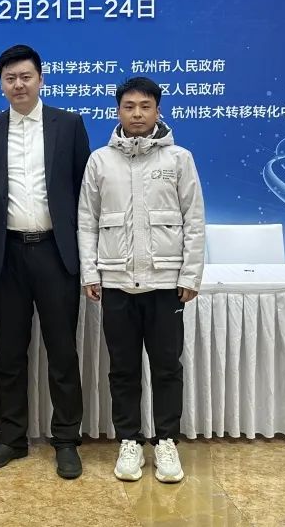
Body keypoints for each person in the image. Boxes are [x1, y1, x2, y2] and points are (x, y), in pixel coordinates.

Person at [77, 76, 205, 484]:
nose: (137, 114)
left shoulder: (179, 159)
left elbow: (194, 220)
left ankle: (166, 441)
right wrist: (91, 272)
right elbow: (87, 221)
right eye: (129, 106)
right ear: (118, 111)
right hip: (116, 283)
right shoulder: (100, 161)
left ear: (157, 111)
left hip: (166, 283)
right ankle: (129, 441)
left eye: (145, 106)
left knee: (167, 367)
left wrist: (190, 274)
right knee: (123, 369)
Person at [0, 44, 90, 479]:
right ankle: (12, 438)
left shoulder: (69, 125)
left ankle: (66, 439)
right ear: (1, 84)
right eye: (10, 78)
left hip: (56, 253)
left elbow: (84, 193)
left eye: (26, 77)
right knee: (10, 352)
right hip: (7, 256)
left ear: (41, 79)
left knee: (62, 351)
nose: (18, 85)